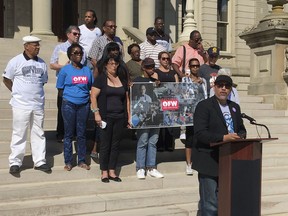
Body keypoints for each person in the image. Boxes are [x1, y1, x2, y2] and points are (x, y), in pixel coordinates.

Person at [193, 75, 246, 215]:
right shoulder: (204, 106)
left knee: (224, 201)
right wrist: (224, 137)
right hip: (209, 160)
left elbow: (241, 129)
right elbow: (200, 133)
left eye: (227, 86)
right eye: (220, 85)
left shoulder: (235, 107)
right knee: (210, 205)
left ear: (230, 90)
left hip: (228, 160)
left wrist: (240, 136)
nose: (223, 88)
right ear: (214, 87)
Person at [3, 36, 51, 175]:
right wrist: (17, 92)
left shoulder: (42, 63)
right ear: (26, 46)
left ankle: (40, 161)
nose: (38, 47)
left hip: (37, 104)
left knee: (38, 132)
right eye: (35, 45)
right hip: (20, 104)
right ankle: (15, 162)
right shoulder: (16, 61)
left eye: (38, 45)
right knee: (19, 133)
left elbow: (43, 81)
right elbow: (6, 79)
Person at [90, 55, 130, 183]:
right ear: (106, 65)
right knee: (105, 145)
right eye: (111, 63)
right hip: (105, 117)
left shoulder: (122, 80)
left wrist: (128, 116)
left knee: (116, 145)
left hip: (119, 116)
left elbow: (127, 99)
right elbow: (93, 97)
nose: (113, 66)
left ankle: (112, 170)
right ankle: (104, 172)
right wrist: (96, 113)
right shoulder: (101, 79)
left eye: (116, 63)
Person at [56, 44, 93, 171]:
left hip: (84, 104)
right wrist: (70, 98)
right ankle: (68, 161)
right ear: (70, 55)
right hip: (69, 104)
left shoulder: (87, 70)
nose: (79, 55)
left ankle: (82, 161)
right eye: (76, 53)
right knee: (68, 134)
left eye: (80, 53)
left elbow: (90, 86)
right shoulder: (65, 70)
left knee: (82, 133)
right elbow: (60, 89)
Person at [50, 25, 86, 142]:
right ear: (68, 34)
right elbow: (52, 64)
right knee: (62, 109)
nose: (77, 36)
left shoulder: (82, 50)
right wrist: (64, 67)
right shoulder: (60, 47)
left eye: (79, 34)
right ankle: (61, 133)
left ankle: (75, 133)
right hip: (64, 85)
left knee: (77, 110)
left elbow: (83, 65)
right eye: (75, 34)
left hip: (78, 84)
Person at [133, 58, 164, 179]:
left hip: (154, 116)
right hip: (142, 117)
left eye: (152, 66)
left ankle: (151, 167)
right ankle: (140, 167)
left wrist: (157, 84)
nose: (151, 69)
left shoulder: (155, 81)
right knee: (143, 141)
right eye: (149, 67)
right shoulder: (137, 81)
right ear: (143, 68)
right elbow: (133, 99)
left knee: (153, 142)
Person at [181, 58, 207, 175]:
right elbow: (182, 93)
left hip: (201, 113)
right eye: (193, 66)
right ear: (190, 67)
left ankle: (198, 161)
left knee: (201, 138)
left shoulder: (203, 81)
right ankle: (188, 163)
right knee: (189, 139)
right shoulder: (185, 79)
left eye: (197, 66)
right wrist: (193, 84)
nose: (195, 68)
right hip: (189, 113)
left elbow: (205, 95)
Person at [154, 51, 179, 152]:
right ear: (159, 60)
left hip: (171, 101)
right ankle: (160, 145)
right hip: (160, 101)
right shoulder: (156, 72)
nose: (165, 60)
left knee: (170, 123)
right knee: (160, 123)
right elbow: (154, 87)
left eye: (167, 58)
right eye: (163, 58)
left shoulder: (173, 73)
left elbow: (177, 87)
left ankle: (169, 144)